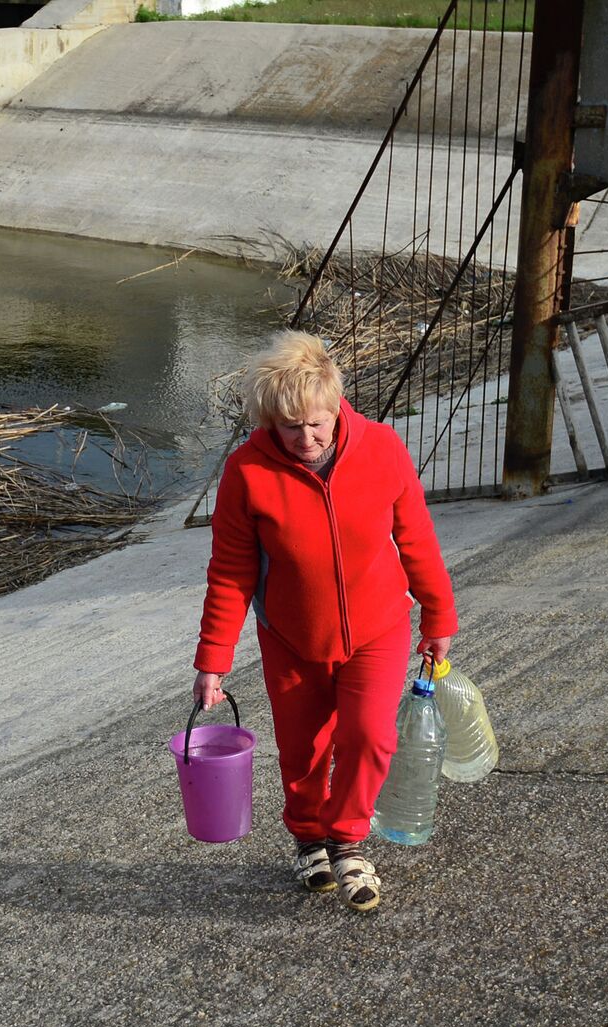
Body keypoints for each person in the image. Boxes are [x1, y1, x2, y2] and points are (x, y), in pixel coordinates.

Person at [191, 330, 456, 914]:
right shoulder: (246, 472)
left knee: (370, 735)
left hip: (378, 628)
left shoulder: (383, 448)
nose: (306, 438)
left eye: (316, 422)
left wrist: (438, 613)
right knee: (302, 750)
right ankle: (308, 835)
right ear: (268, 422)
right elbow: (230, 572)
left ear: (336, 408)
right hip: (290, 637)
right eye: (290, 427)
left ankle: (347, 838)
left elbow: (415, 538)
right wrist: (213, 660)